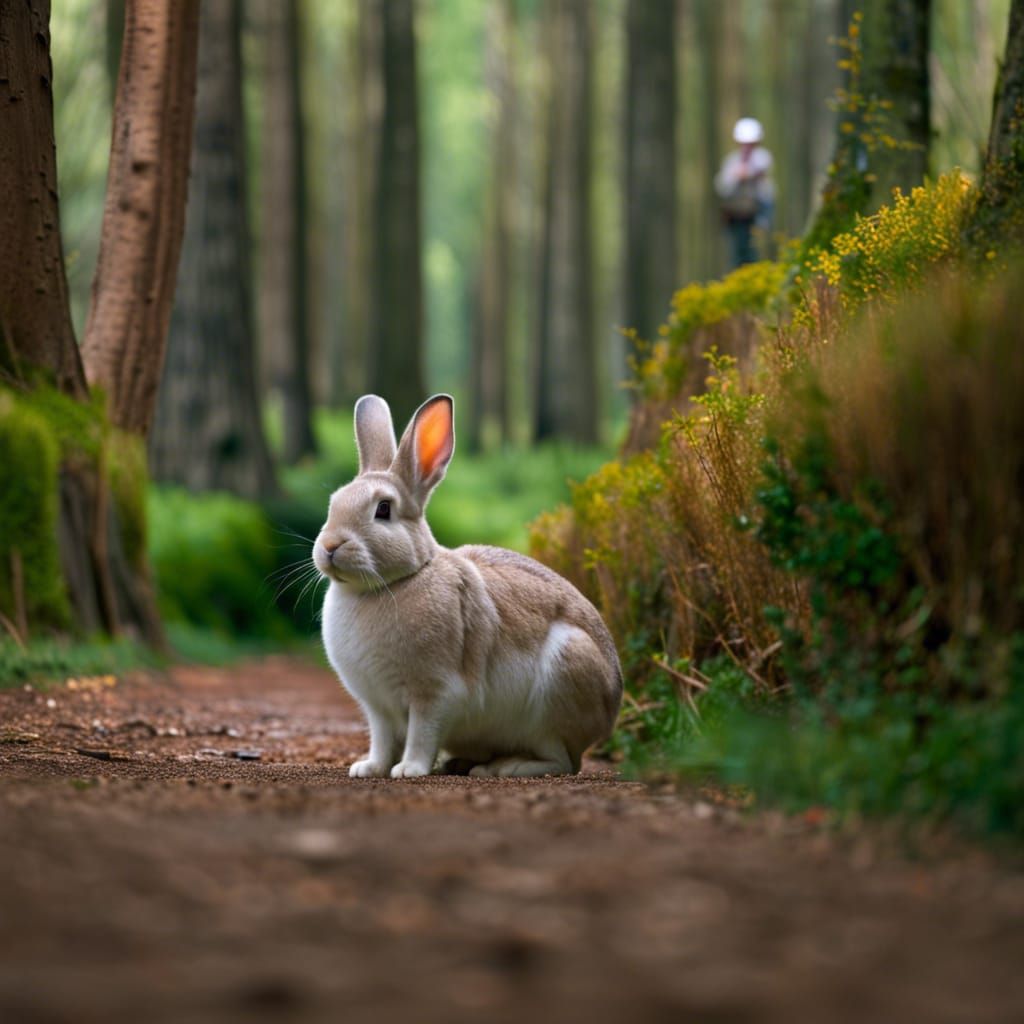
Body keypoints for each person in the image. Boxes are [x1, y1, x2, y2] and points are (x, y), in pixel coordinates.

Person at [715, 117, 775, 270]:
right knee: (737, 251)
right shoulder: (732, 160)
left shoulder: (762, 156)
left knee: (754, 248)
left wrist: (745, 173)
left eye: (751, 143)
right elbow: (722, 186)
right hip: (737, 214)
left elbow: (759, 170)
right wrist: (735, 176)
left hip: (758, 211)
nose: (747, 146)